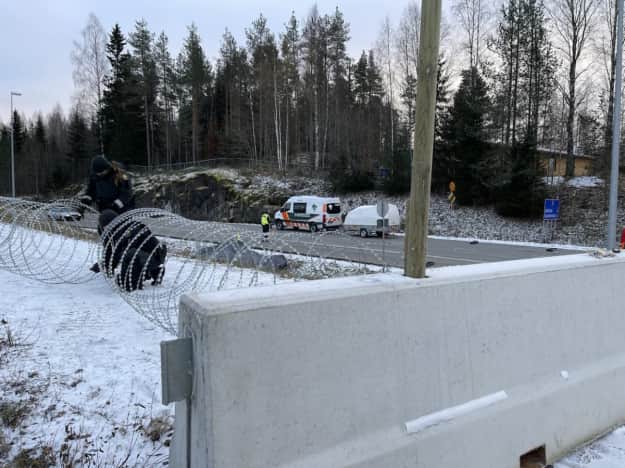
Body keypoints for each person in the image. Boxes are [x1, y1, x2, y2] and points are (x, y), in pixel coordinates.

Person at [94, 209, 167, 291]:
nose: (107, 229)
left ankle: (145, 274)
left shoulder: (131, 227)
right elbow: (110, 250)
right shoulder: (115, 231)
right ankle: (154, 270)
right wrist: (105, 265)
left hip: (151, 255)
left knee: (129, 258)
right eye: (105, 227)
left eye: (108, 226)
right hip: (146, 255)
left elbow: (124, 251)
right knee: (129, 255)